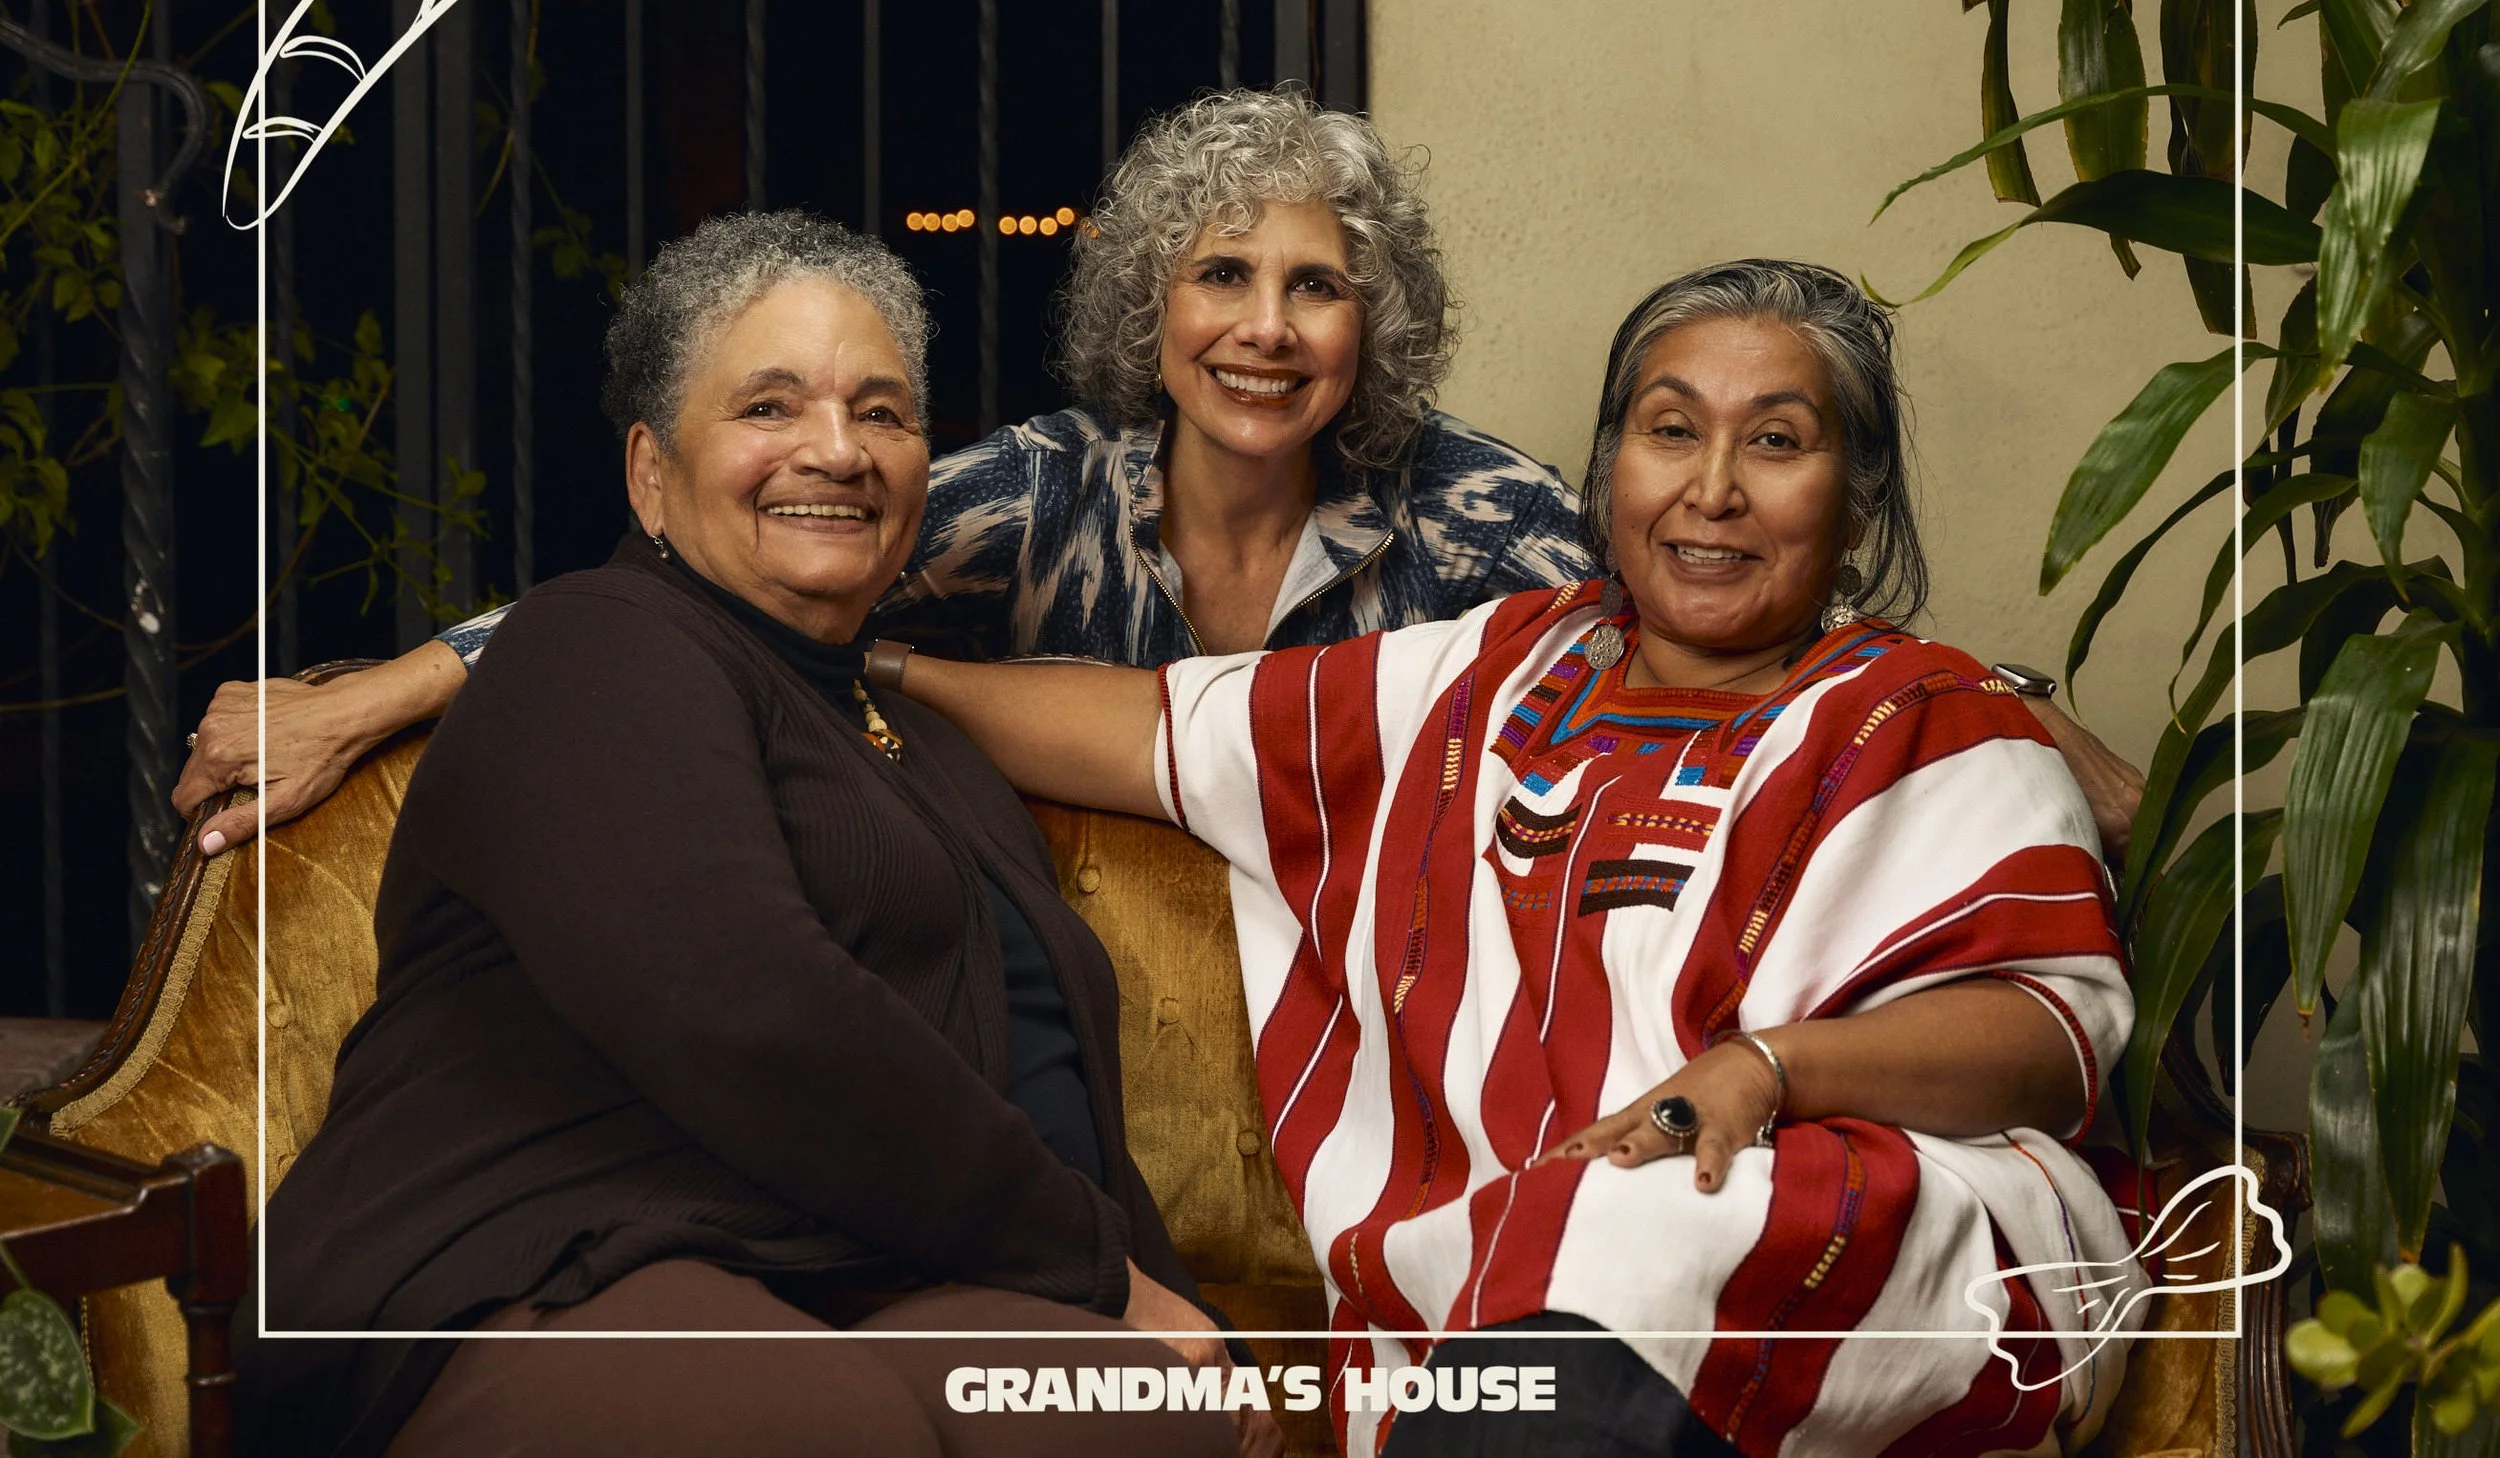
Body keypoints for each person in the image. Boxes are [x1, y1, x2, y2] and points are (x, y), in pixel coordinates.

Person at [878, 260, 2148, 1457]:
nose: (1711, 488)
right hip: (1528, 1271)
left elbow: (2046, 1036)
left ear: (1854, 494)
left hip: (1861, 1237)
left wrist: (1763, 1069)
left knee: (1616, 1243)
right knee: (1558, 1289)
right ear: (1607, 474)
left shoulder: (1931, 716)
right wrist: (859, 669)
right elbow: (1156, 727)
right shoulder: (1491, 672)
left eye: (1775, 439)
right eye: (1668, 429)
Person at [236, 213, 1273, 1458]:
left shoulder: (920, 740)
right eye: (768, 408)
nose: (837, 450)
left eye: (882, 414)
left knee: (1132, 1424)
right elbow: (748, 1006)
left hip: (830, 1262)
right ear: (649, 474)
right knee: (819, 1430)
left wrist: (1177, 1334)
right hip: (526, 1254)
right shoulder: (596, 644)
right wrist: (1097, 1271)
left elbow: (1043, 1080)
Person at [174, 87, 1599, 853]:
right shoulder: (1050, 490)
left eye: (1318, 288)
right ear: (1152, 311)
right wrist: (371, 696)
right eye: (1222, 274)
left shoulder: (1483, 512)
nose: (1267, 329)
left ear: (1378, 319)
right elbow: (694, 592)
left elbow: (1678, 727)